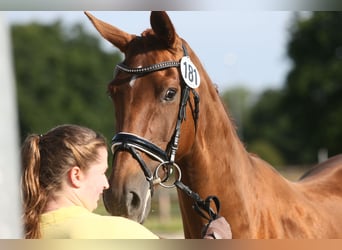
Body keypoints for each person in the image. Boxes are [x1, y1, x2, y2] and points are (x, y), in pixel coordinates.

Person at [21, 124, 232, 239]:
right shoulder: (114, 233)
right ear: (76, 175)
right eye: (102, 172)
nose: (106, 184)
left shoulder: (19, 233)